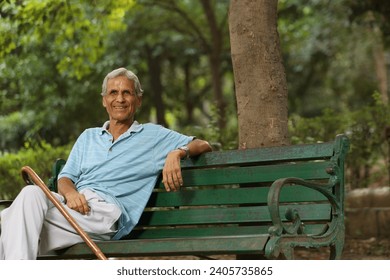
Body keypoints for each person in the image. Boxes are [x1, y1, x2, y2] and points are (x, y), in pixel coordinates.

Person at [0, 67, 212, 259]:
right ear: (104, 100)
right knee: (30, 194)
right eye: (113, 93)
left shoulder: (153, 136)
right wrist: (71, 194)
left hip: (105, 213)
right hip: (73, 206)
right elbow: (66, 177)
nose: (119, 99)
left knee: (11, 223)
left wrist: (177, 153)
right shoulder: (88, 136)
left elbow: (203, 145)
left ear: (138, 100)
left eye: (126, 93)